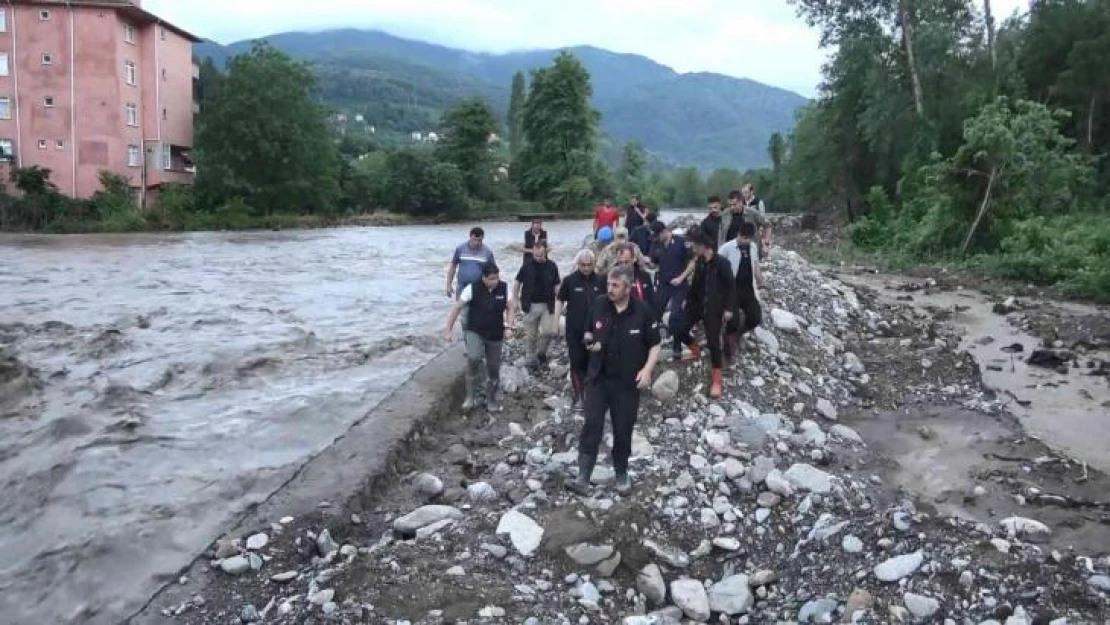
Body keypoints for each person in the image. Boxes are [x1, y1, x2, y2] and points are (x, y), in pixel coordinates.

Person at [567, 264, 662, 495]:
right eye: (608, 284)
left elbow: (656, 344)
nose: (609, 289)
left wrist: (647, 370)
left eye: (615, 285)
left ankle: (621, 473)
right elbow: (588, 331)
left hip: (627, 383)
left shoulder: (643, 312)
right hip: (598, 378)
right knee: (592, 425)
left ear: (628, 288)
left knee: (623, 429)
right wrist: (590, 341)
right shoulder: (599, 304)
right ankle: (583, 476)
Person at [444, 263, 512, 412]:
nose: (495, 281)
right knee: (474, 357)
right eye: (491, 278)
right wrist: (448, 330)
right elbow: (457, 307)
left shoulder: (504, 288)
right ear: (484, 278)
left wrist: (509, 325)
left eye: (497, 278)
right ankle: (470, 397)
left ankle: (490, 399)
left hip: (495, 333)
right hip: (475, 330)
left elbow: (510, 307)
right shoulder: (472, 288)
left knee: (493, 367)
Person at [677, 228, 736, 399]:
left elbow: (731, 287)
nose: (693, 250)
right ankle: (695, 349)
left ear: (703, 245)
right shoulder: (700, 261)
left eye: (695, 246)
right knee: (679, 328)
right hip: (697, 305)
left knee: (713, 342)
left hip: (714, 308)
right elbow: (695, 285)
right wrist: (687, 301)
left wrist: (729, 308)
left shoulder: (722, 263)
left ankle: (717, 380)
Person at [555, 249, 606, 410]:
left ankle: (594, 395)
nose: (585, 268)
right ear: (578, 264)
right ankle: (579, 396)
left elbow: (608, 303)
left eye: (589, 265)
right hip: (574, 329)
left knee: (594, 362)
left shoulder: (601, 280)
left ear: (594, 264)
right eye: (583, 265)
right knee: (576, 362)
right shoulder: (570, 281)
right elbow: (559, 300)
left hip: (596, 329)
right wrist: (556, 323)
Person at [649, 220, 696, 360]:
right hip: (663, 283)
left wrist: (681, 278)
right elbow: (653, 263)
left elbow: (693, 261)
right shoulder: (655, 244)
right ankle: (652, 346)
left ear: (664, 231)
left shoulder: (681, 242)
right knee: (654, 313)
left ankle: (677, 345)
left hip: (679, 285)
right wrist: (645, 261)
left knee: (676, 315)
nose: (656, 239)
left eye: (657, 236)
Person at [719, 221, 764, 363]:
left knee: (755, 317)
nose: (746, 241)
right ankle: (728, 352)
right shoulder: (726, 248)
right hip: (732, 290)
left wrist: (760, 279)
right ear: (738, 234)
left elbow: (755, 264)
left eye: (749, 238)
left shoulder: (753, 247)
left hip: (748, 289)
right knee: (733, 322)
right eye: (744, 238)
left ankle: (737, 335)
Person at [513, 241, 561, 371]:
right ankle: (530, 358)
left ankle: (542, 353)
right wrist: (515, 300)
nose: (538, 257)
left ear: (545, 252)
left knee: (547, 332)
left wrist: (561, 299)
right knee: (531, 335)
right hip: (530, 304)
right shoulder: (526, 266)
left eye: (540, 255)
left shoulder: (552, 266)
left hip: (548, 305)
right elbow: (517, 283)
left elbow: (557, 284)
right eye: (536, 255)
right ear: (533, 252)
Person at [446, 227, 496, 330]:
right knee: (464, 316)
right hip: (462, 287)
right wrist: (448, 285)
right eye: (475, 240)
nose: (477, 242)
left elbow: (493, 271)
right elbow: (453, 266)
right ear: (470, 237)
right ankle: (467, 337)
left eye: (480, 240)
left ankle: (477, 335)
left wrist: (495, 287)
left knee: (479, 313)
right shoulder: (460, 249)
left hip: (480, 288)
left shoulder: (487, 252)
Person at [742, 183, 773, 256]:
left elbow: (762, 217)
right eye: (743, 192)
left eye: (746, 192)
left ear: (751, 192)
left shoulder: (758, 202)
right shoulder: (742, 202)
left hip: (757, 230)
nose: (744, 194)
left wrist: (761, 231)